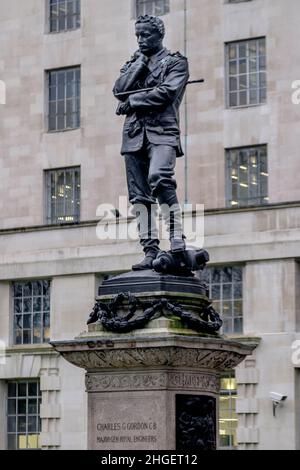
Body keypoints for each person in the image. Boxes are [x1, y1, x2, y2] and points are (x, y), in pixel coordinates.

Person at [113, 14, 189, 271]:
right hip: (134, 136)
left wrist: (133, 101)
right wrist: (140, 65)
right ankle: (150, 249)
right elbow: (119, 89)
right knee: (139, 197)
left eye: (146, 35)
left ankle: (177, 237)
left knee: (160, 178)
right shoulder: (135, 62)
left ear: (160, 35)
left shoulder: (176, 62)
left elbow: (167, 93)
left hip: (163, 133)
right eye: (138, 35)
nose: (141, 39)